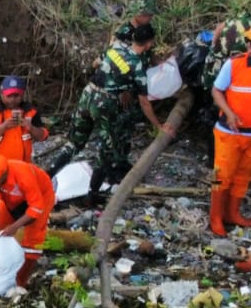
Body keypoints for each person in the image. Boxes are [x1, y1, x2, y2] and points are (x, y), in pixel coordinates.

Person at [46, 23, 171, 202]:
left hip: (88, 94)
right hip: (105, 104)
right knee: (106, 151)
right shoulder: (137, 65)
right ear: (149, 44)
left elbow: (95, 63)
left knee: (75, 143)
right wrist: (158, 125)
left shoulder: (115, 49)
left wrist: (117, 82)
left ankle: (46, 176)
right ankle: (92, 194)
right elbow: (144, 102)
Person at [0, 153, 54, 289]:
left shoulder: (24, 175)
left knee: (33, 239)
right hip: (9, 199)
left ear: (4, 174)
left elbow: (36, 208)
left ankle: (20, 283)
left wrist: (14, 227)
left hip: (41, 196)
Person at [210, 22, 251, 236]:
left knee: (243, 176)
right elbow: (216, 91)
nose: (248, 45)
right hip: (229, 134)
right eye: (248, 41)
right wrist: (229, 113)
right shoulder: (234, 64)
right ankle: (215, 217)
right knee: (221, 176)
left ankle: (233, 214)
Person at [0, 76, 47, 171]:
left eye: (16, 96)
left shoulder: (31, 112)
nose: (12, 99)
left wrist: (31, 128)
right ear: (1, 94)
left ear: (22, 94)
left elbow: (43, 136)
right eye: (9, 96)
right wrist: (4, 127)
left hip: (19, 168)